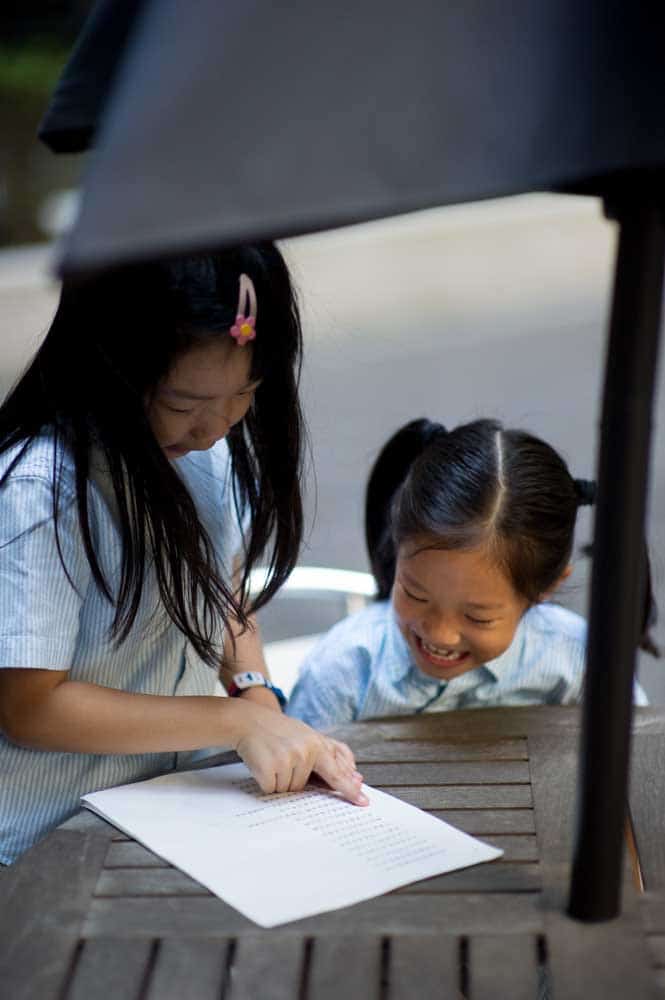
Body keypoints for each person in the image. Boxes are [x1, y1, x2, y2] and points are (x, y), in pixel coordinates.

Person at [0, 243, 367, 865]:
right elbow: (31, 706)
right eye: (182, 404)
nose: (215, 427)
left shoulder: (205, 454)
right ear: (110, 364)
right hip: (48, 838)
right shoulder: (42, 488)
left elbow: (222, 586)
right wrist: (232, 723)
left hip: (175, 813)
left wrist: (255, 696)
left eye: (245, 393)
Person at [287, 418, 654, 728]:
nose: (439, 633)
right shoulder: (344, 673)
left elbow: (637, 759)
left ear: (544, 587)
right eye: (415, 594)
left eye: (478, 617)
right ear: (396, 551)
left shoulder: (579, 664)